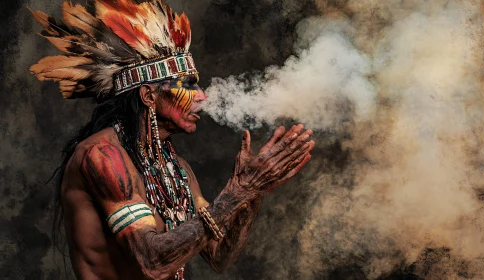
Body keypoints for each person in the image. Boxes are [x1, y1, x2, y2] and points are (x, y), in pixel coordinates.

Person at [30, 1, 315, 279]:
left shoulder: (176, 170)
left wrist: (253, 192)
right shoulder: (102, 156)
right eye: (189, 84)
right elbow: (150, 263)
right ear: (149, 95)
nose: (202, 96)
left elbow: (219, 256)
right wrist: (239, 192)